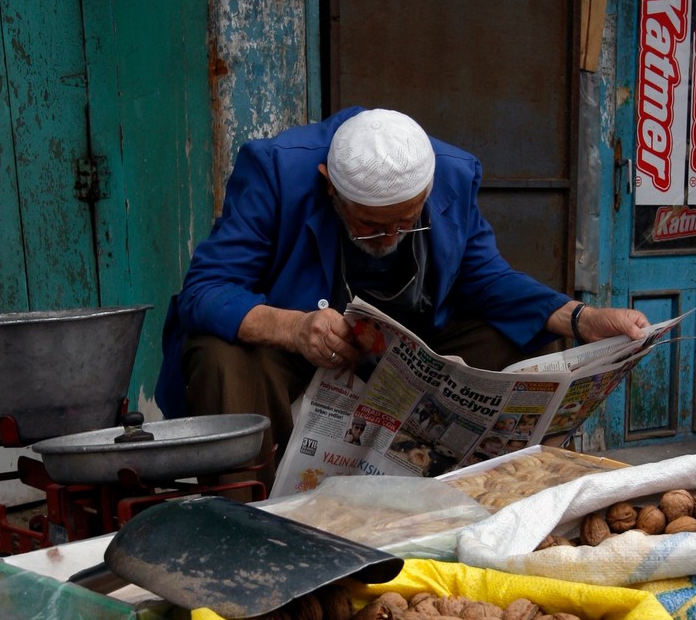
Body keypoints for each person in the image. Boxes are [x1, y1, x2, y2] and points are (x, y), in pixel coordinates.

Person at [155, 107, 650, 491]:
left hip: (406, 348)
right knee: (221, 354)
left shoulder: (451, 175)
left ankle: (468, 492)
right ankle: (252, 522)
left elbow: (487, 278)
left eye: (406, 220)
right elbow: (205, 290)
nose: (390, 236)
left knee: (519, 329)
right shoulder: (276, 172)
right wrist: (293, 328)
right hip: (303, 351)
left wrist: (583, 318)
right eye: (369, 225)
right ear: (330, 186)